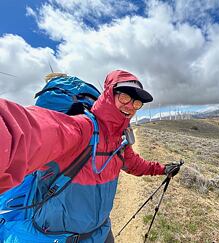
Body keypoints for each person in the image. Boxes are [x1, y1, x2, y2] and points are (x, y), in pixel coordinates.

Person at [0, 70, 179, 242]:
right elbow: (24, 133)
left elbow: (135, 164)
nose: (131, 106)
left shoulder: (120, 140)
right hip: (57, 237)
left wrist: (162, 169)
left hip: (101, 232)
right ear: (109, 94)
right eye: (124, 96)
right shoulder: (81, 129)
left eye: (137, 103)